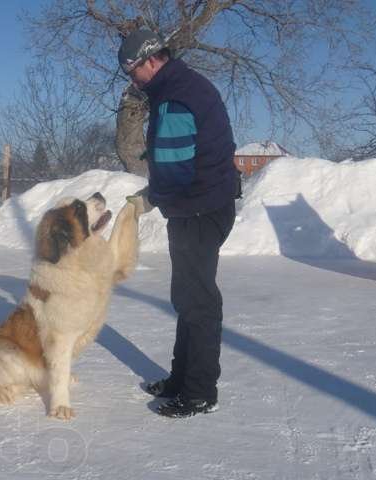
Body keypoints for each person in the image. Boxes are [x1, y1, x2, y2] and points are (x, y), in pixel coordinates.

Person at [120, 28, 239, 418]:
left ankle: (200, 391)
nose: (133, 80)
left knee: (198, 302)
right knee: (189, 298)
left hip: (197, 210)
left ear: (151, 61)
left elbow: (174, 169)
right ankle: (181, 379)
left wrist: (151, 197)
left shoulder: (174, 98)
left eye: (133, 72)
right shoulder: (186, 86)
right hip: (207, 204)